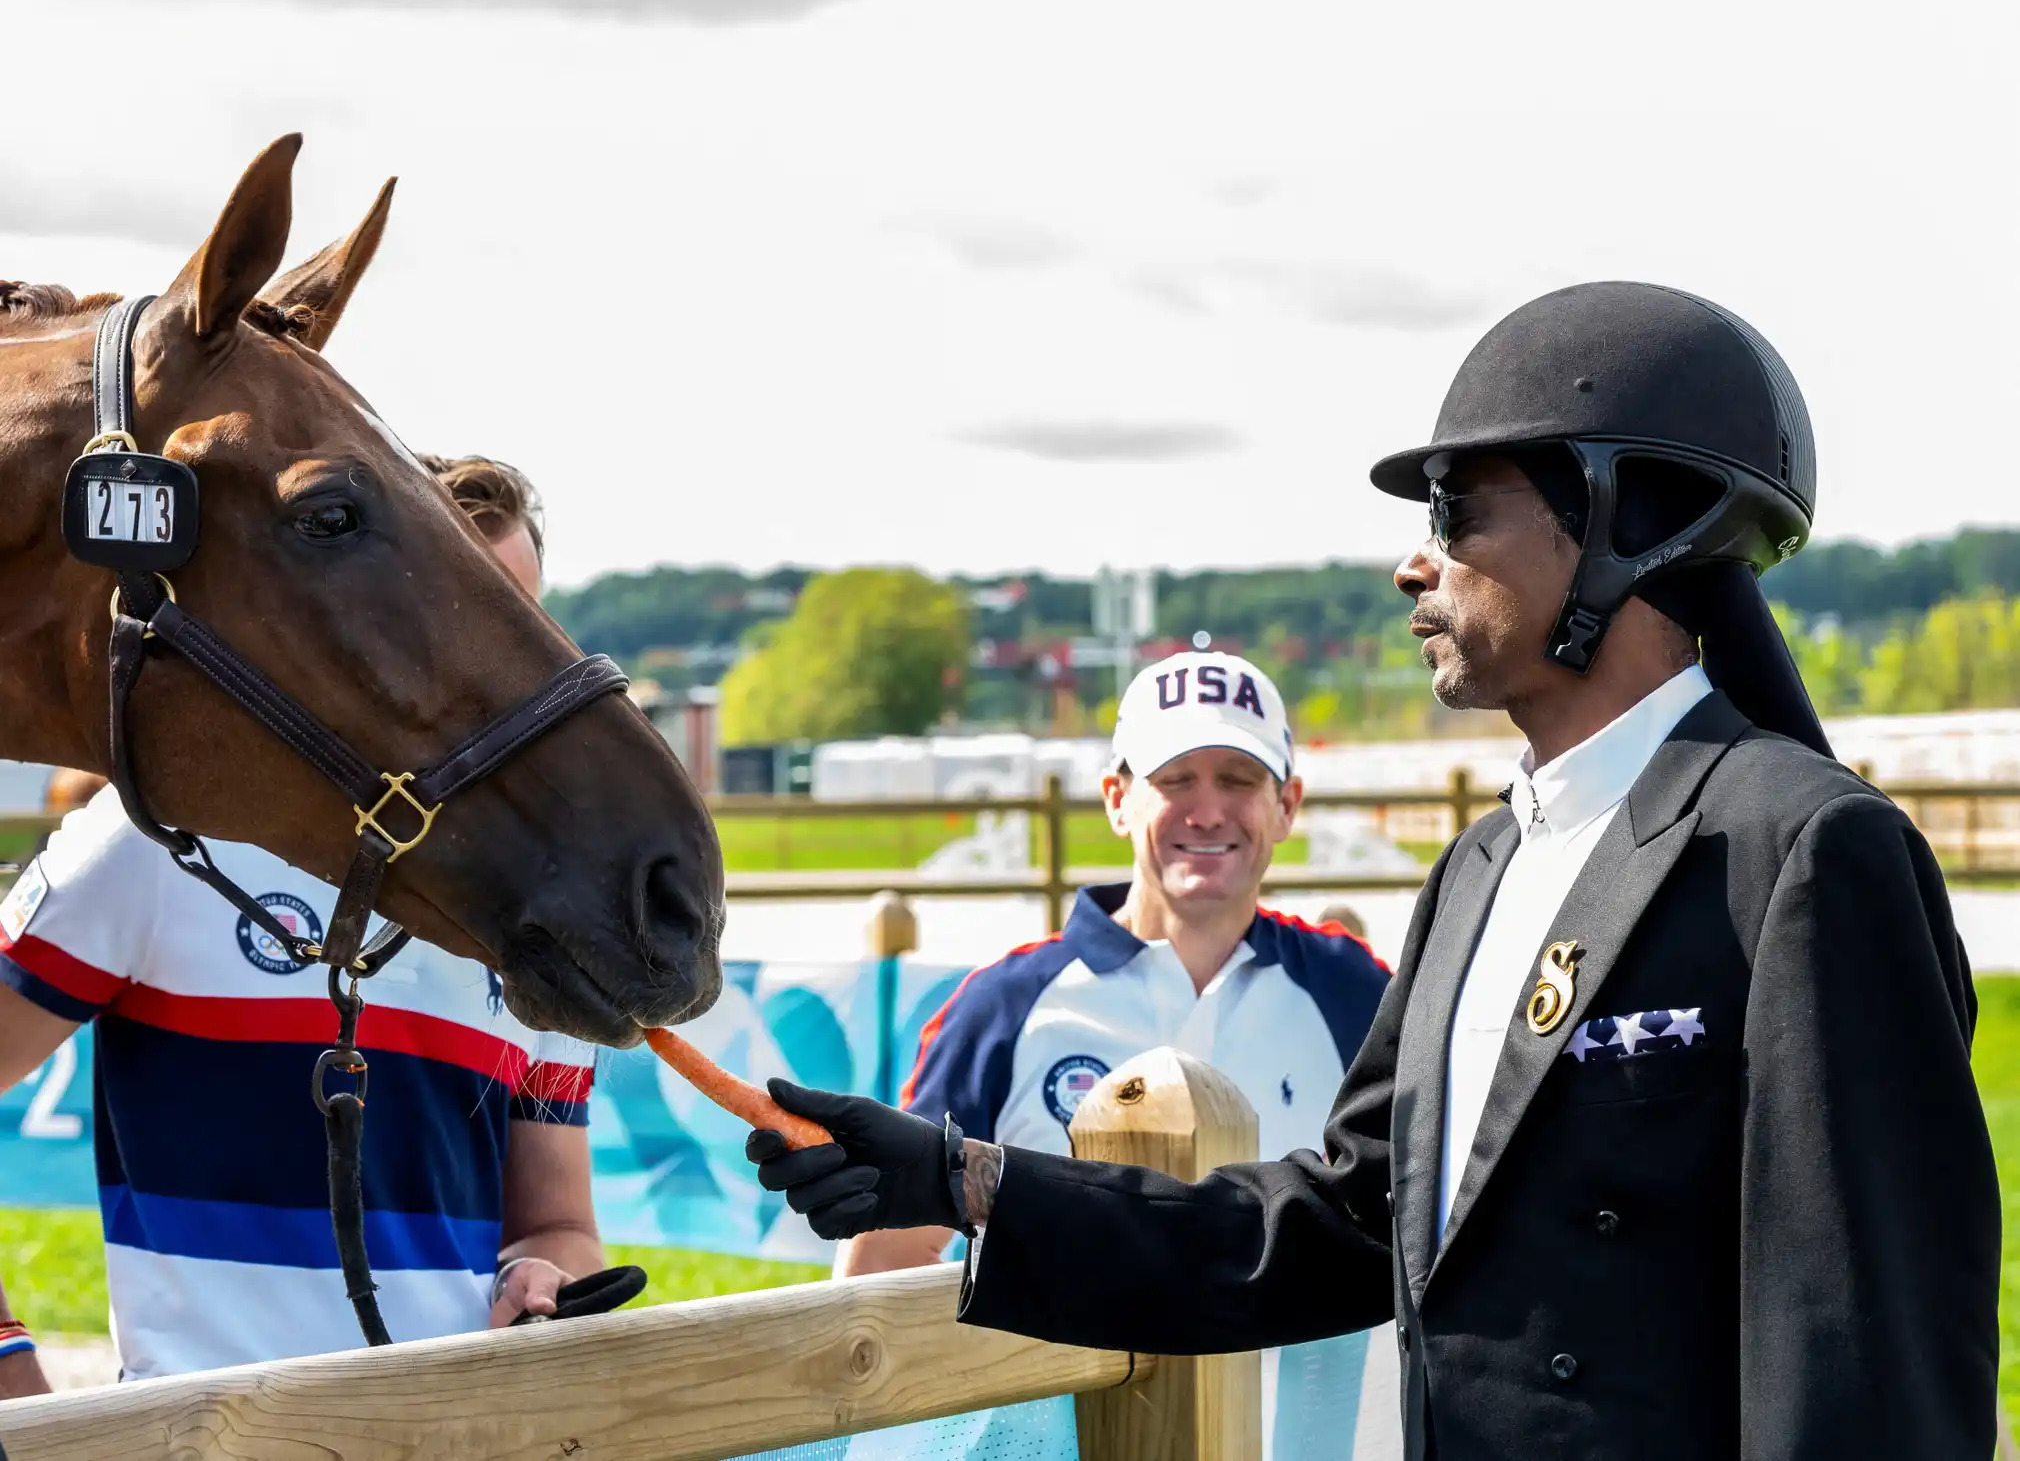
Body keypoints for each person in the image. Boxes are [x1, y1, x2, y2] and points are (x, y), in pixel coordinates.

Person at [745, 283, 2000, 1459]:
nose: (1416, 562)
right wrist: (965, 1180)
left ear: (1625, 528)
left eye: (1458, 512)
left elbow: (1861, 1350)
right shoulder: (1479, 867)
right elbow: (1340, 1224)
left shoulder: (1804, 852)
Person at [0, 454, 614, 1394]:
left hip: (466, 1436)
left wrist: (545, 1273)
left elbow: (557, 1223)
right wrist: (11, 1377)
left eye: (525, 627)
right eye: (466, 620)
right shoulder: (157, 838)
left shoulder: (536, 903)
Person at [837, 652, 1397, 1456]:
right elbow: (890, 1263)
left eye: (1239, 778)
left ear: (1288, 804)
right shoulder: (1005, 1004)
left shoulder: (1356, 992)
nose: (1207, 811)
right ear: (1116, 799)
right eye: (1176, 780)